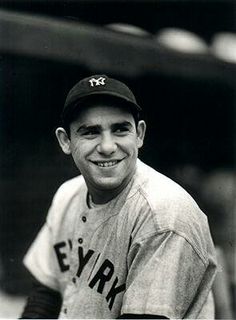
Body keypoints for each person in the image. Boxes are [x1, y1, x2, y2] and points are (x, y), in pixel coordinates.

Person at [20, 75, 217, 319]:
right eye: (90, 132)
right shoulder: (67, 195)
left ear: (139, 134)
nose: (107, 146)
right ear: (65, 141)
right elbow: (45, 295)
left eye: (120, 129)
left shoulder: (163, 215)